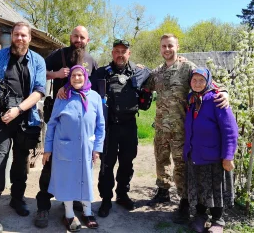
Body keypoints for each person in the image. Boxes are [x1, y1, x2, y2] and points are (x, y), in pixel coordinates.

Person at [144, 34, 229, 223]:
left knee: (181, 166)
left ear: (177, 46)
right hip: (160, 127)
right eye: (163, 46)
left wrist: (224, 92)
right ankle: (163, 191)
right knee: (161, 159)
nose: (167, 50)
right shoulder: (157, 72)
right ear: (160, 49)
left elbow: (207, 82)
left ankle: (184, 202)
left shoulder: (187, 67)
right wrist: (140, 69)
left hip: (181, 129)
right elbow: (146, 86)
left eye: (170, 46)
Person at [0, 21, 46, 233]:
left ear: (29, 38)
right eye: (16, 34)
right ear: (12, 36)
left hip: (25, 118)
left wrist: (18, 110)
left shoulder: (38, 61)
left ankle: (17, 199)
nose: (19, 38)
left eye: (24, 35)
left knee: (20, 161)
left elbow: (39, 91)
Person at [35, 25, 98, 228]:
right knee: (51, 162)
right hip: (60, 112)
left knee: (79, 163)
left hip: (82, 120)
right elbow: (39, 73)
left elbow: (95, 87)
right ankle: (43, 205)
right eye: (76, 36)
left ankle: (75, 204)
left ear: (88, 40)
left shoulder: (91, 61)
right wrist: (56, 75)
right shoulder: (58, 54)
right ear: (70, 37)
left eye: (82, 37)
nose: (78, 40)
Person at [91, 39, 151, 218]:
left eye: (123, 51)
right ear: (112, 53)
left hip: (129, 125)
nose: (120, 54)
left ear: (129, 54)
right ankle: (106, 199)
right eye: (116, 51)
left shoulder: (139, 72)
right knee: (107, 164)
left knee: (127, 162)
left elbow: (154, 75)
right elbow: (86, 91)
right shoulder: (101, 73)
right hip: (109, 126)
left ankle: (122, 194)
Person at [42, 65, 105, 232]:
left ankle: (87, 211)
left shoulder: (95, 97)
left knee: (85, 178)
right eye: (73, 76)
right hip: (64, 147)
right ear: (69, 79)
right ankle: (69, 214)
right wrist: (47, 148)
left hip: (87, 147)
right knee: (67, 180)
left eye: (80, 75)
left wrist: (97, 148)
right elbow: (52, 123)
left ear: (85, 77)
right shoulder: (63, 97)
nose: (77, 78)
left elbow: (100, 125)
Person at [184, 67, 238, 233]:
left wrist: (228, 156)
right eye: (194, 80)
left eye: (201, 80)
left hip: (214, 155)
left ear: (208, 81)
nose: (198, 83)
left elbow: (230, 130)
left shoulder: (217, 99)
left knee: (216, 189)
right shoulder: (191, 100)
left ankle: (218, 220)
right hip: (195, 154)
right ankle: (200, 216)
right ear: (190, 82)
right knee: (199, 187)